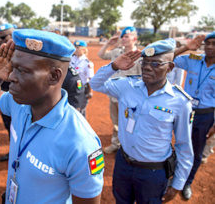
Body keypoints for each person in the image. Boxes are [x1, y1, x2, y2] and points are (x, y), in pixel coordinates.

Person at [0, 29, 104, 203]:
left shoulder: (80, 142)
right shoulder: (20, 104)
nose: (11, 77)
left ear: (54, 76)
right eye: (13, 68)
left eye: (23, 71)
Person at [90, 38, 194, 203]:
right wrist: (114, 66)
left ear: (170, 67)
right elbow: (95, 83)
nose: (146, 66)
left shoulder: (180, 102)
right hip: (123, 164)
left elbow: (184, 145)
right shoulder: (127, 87)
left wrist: (178, 184)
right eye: (145, 61)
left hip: (153, 173)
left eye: (155, 63)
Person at [173, 32, 215, 200]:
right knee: (180, 145)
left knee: (196, 151)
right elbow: (169, 58)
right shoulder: (193, 58)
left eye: (214, 43)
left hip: (206, 115)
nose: (210, 47)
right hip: (186, 111)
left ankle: (187, 182)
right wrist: (186, 48)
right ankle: (175, 178)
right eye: (208, 43)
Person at [98, 26, 142, 154]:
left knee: (130, 123)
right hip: (114, 95)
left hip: (130, 98)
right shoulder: (116, 52)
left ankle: (127, 147)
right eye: (123, 36)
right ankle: (115, 144)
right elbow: (101, 55)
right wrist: (108, 43)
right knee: (116, 121)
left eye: (127, 36)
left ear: (134, 38)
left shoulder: (139, 56)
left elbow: (141, 78)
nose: (124, 39)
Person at [0, 23, 15, 162]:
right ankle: (13, 151)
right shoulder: (0, 49)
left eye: (3, 37)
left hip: (20, 96)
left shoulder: (22, 52)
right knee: (8, 125)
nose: (0, 40)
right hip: (4, 93)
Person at [70, 40, 94, 117]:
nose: (75, 49)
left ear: (83, 49)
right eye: (75, 47)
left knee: (80, 111)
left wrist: (90, 91)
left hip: (81, 88)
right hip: (70, 87)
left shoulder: (87, 63)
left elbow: (90, 78)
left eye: (77, 48)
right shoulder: (71, 58)